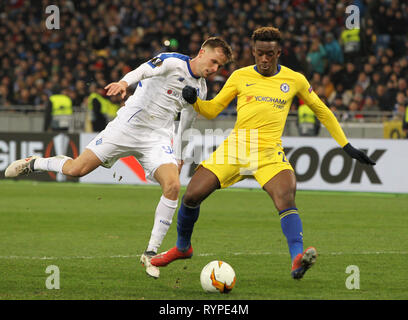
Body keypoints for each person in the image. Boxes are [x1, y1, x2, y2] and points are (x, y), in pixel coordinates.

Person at [151, 27, 376, 280]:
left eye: (270, 54)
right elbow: (212, 110)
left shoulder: (295, 80)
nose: (265, 59)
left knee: (285, 197)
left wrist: (345, 145)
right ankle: (183, 248)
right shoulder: (239, 76)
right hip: (235, 149)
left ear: (279, 52)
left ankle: (297, 259)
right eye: (259, 54)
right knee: (191, 195)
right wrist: (195, 101)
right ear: (253, 52)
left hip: (268, 151)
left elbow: (322, 111)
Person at [4, 37, 233, 279]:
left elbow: (187, 121)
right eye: (214, 61)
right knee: (76, 169)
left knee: (173, 185)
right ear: (201, 52)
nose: (215, 69)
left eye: (219, 66)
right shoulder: (172, 61)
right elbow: (144, 69)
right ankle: (35, 163)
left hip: (157, 138)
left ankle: (150, 251)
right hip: (128, 125)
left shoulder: (201, 89)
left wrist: (179, 155)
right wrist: (124, 82)